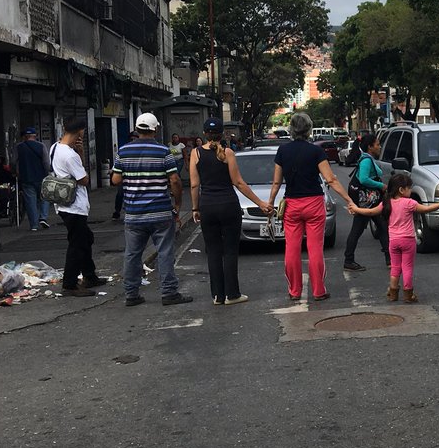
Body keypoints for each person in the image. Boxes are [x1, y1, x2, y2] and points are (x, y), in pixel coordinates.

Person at [268, 112, 358, 302]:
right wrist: (348, 199)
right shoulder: (316, 151)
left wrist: (270, 202)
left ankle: (294, 291)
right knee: (315, 248)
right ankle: (318, 290)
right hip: (314, 203)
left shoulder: (282, 152)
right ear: (309, 130)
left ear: (291, 130)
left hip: (292, 204)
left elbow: (276, 182)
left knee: (291, 248)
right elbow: (331, 179)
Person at [112, 113, 192, 307]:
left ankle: (131, 294)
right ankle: (168, 293)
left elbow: (115, 180)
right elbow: (174, 180)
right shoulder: (163, 151)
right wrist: (178, 205)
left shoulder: (123, 151)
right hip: (160, 211)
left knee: (132, 254)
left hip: (133, 214)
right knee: (165, 252)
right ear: (155, 129)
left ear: (137, 129)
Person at [189, 117, 270, 305]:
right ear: (222, 134)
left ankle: (217, 295)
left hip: (207, 206)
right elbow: (239, 183)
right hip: (228, 205)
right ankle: (232, 294)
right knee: (230, 251)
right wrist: (260, 203)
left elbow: (194, 184)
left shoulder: (196, 153)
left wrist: (195, 208)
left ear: (204, 134)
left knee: (214, 251)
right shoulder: (228, 153)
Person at [353, 173, 439, 303]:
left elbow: (370, 212)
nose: (411, 190)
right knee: (407, 267)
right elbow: (427, 209)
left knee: (395, 267)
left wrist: (355, 208)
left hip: (393, 241)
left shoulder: (387, 203)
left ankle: (393, 292)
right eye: (409, 188)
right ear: (401, 189)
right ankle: (408, 294)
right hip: (408, 240)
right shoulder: (409, 203)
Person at [52, 119, 103, 297]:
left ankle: (89, 275)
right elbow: (84, 179)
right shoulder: (70, 155)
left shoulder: (54, 148)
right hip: (75, 206)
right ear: (80, 132)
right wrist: (80, 155)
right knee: (77, 244)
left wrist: (79, 151)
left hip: (63, 203)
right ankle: (70, 284)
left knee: (86, 238)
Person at [343, 133, 389, 272]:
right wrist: (381, 186)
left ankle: (389, 259)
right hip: (366, 201)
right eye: (377, 144)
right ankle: (349, 260)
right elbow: (363, 179)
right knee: (358, 230)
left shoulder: (368, 158)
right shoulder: (366, 161)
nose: (379, 147)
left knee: (382, 227)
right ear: (370, 147)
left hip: (369, 200)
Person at [16, 128, 50, 231]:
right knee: (45, 197)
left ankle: (34, 225)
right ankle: (43, 217)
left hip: (26, 178)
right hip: (41, 177)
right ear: (35, 136)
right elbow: (46, 163)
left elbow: (13, 162)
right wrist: (48, 173)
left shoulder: (19, 147)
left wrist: (16, 172)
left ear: (24, 137)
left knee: (30, 201)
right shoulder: (41, 146)